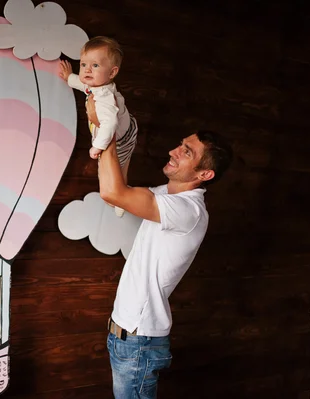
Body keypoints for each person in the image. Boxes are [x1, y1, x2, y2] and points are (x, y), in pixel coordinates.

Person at [87, 96, 233, 399]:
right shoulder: (165, 195)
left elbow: (113, 192)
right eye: (180, 144)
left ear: (204, 174)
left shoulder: (188, 210)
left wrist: (106, 126)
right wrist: (102, 128)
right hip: (127, 337)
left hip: (138, 343)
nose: (173, 151)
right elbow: (113, 191)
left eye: (186, 152)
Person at [59, 36, 137, 217]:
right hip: (128, 128)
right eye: (84, 64)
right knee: (120, 167)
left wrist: (98, 147)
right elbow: (83, 84)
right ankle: (121, 192)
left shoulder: (105, 98)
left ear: (112, 73)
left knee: (111, 171)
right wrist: (69, 77)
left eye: (95, 66)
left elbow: (110, 123)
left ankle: (120, 198)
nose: (87, 70)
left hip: (119, 141)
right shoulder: (97, 85)